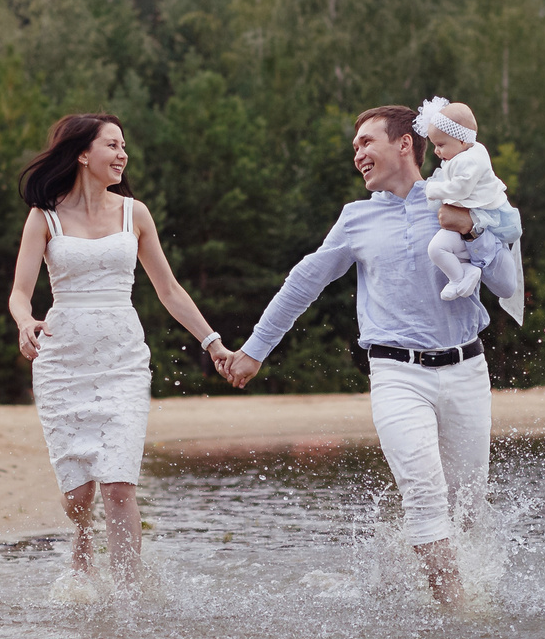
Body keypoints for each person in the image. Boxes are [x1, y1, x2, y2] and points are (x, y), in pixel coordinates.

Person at [223, 104, 525, 606]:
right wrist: (255, 350)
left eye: (366, 142)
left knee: (468, 508)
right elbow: (304, 283)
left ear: (405, 144)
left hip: (468, 370)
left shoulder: (461, 197)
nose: (358, 154)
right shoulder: (355, 218)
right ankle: (459, 614)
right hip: (395, 374)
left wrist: (471, 228)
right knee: (426, 493)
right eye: (355, 147)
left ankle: (427, 592)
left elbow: (507, 284)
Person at [8, 114, 231, 591]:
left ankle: (128, 597)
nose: (123, 154)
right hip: (63, 360)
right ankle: (82, 536)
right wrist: (25, 322)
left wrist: (212, 342)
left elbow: (169, 290)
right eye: (113, 145)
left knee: (118, 484)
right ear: (84, 154)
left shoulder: (135, 213)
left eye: (124, 145)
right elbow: (20, 293)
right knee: (78, 494)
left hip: (123, 359)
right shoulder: (44, 216)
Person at [415, 97, 522, 300]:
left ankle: (458, 277)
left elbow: (460, 189)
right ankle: (465, 272)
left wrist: (433, 189)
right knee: (438, 249)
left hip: (483, 216)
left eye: (440, 145)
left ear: (462, 141)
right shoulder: (460, 156)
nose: (436, 151)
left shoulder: (470, 161)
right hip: (469, 217)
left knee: (437, 248)